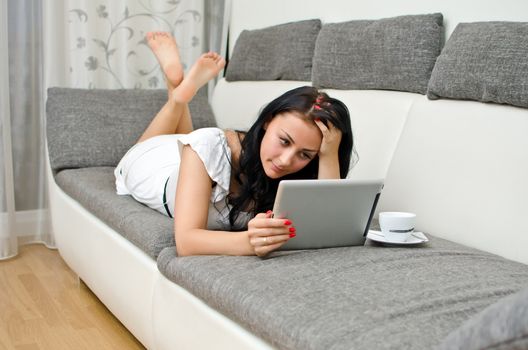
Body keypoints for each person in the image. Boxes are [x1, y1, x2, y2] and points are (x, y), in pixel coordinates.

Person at [115, 32, 354, 257]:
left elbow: (326, 229)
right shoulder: (211, 145)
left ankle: (178, 89)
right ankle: (178, 95)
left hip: (188, 160)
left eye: (305, 154)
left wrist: (329, 154)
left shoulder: (303, 170)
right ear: (267, 121)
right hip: (153, 169)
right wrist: (250, 241)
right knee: (154, 147)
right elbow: (186, 243)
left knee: (193, 145)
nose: (285, 160)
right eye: (284, 141)